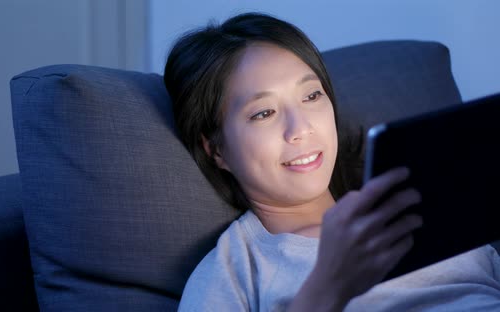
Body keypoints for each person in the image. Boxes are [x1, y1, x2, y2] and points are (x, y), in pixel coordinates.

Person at [164, 12, 500, 311]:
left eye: (311, 96)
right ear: (217, 151)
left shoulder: (430, 208)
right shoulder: (235, 271)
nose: (301, 129)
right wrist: (327, 286)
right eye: (264, 113)